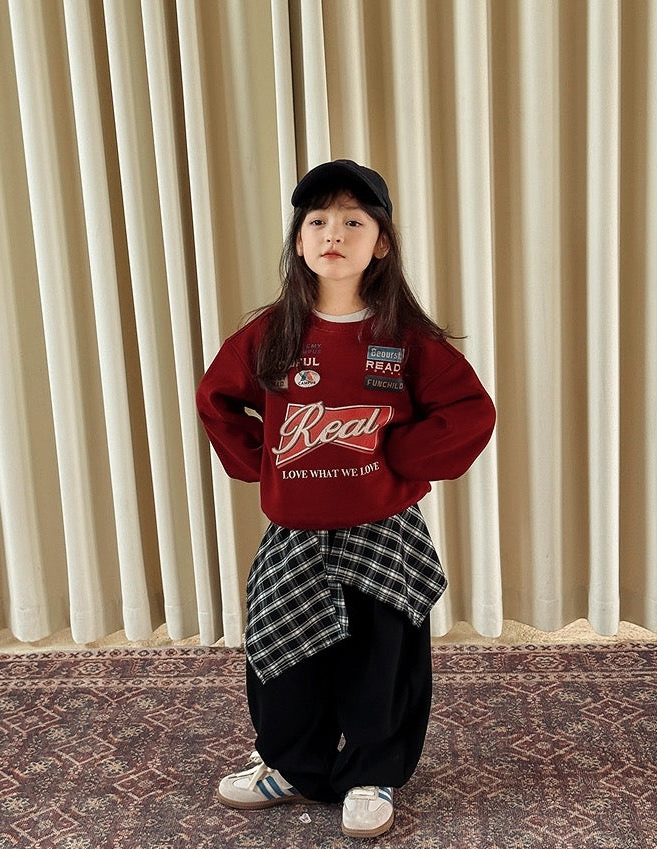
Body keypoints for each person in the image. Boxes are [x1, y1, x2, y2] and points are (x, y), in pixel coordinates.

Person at [196, 159, 496, 838]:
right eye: (318, 221)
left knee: (379, 663)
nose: (334, 233)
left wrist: (399, 459)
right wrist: (263, 460)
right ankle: (290, 765)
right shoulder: (270, 333)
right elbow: (217, 398)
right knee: (284, 656)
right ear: (300, 241)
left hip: (380, 533)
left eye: (353, 221)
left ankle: (371, 771)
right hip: (295, 534)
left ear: (381, 243)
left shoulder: (404, 339)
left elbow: (469, 412)